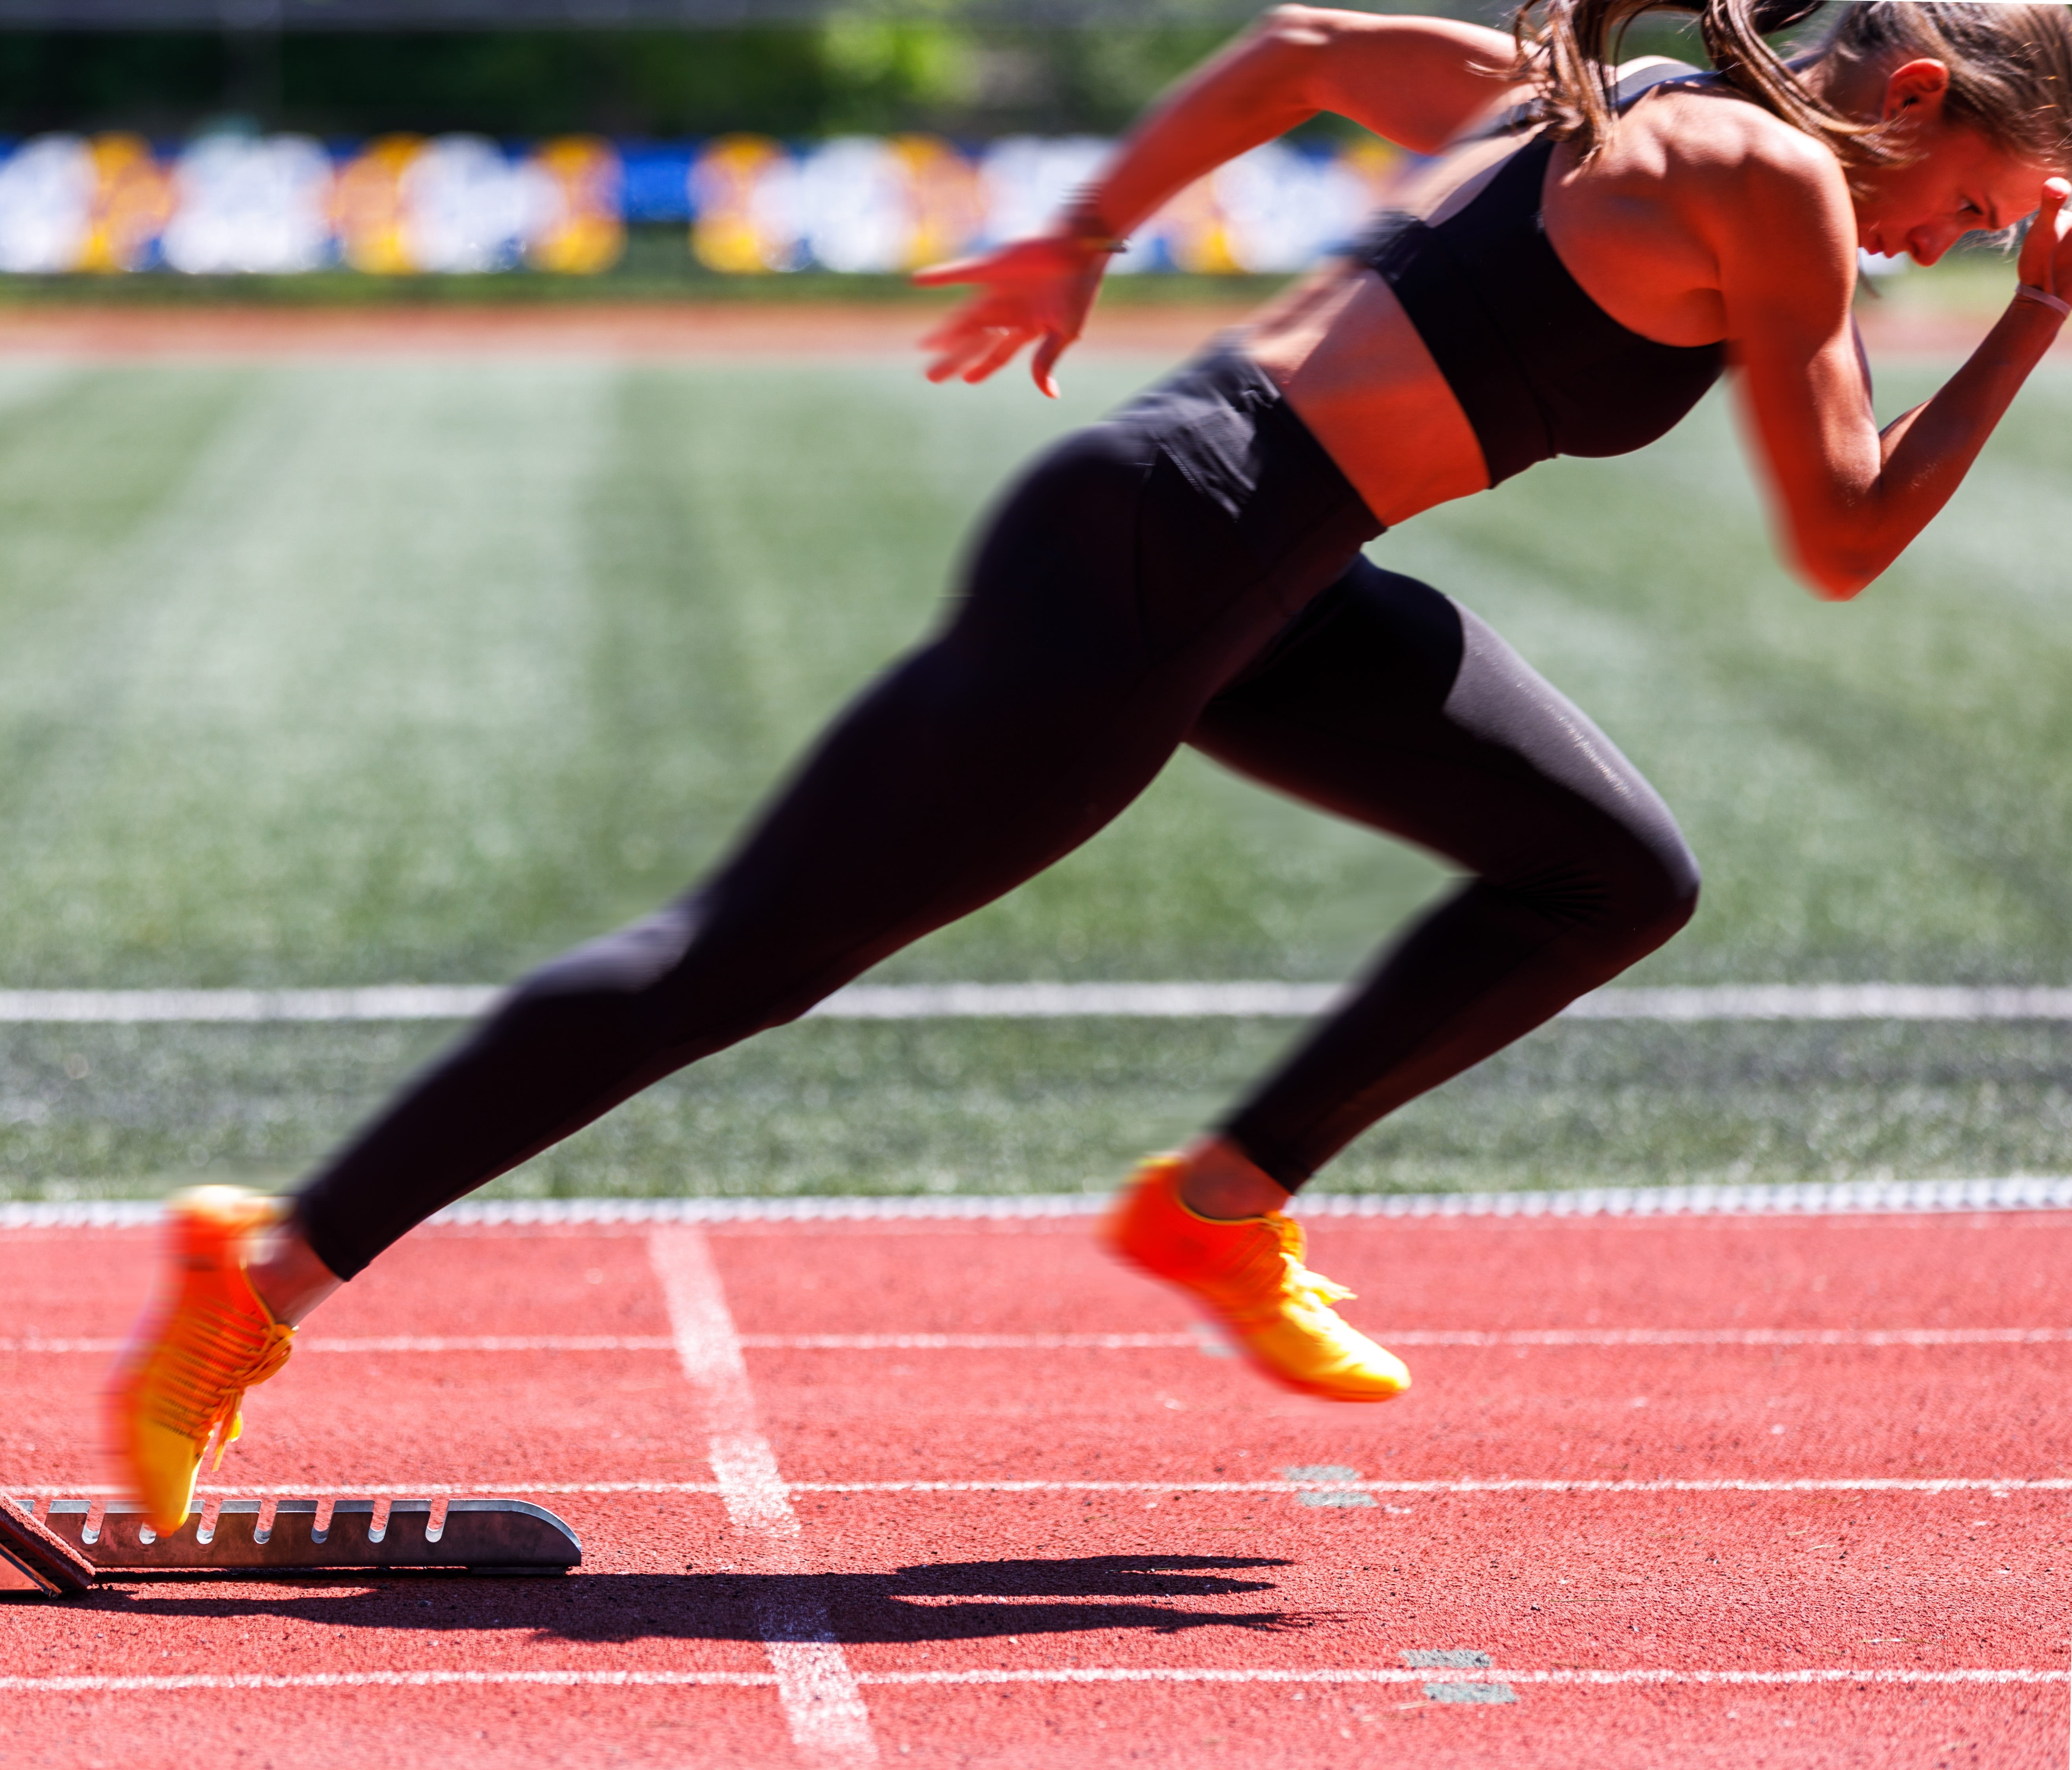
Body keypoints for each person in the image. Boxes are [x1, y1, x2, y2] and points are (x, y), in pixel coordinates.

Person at [105, 0, 2072, 1530]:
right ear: (1908, 94)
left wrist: (1081, 238)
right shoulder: (1782, 184)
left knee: (1613, 867)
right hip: (1178, 549)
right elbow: (1844, 533)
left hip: (1255, 561)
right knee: (744, 958)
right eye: (1976, 209)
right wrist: (2035, 324)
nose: (1953, 246)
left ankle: (1221, 1202)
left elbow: (1303, 50)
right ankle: (255, 1278)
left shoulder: (1590, 80)